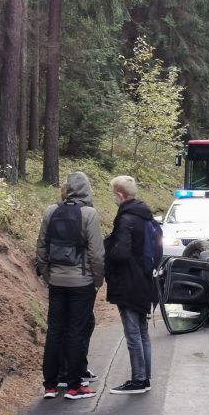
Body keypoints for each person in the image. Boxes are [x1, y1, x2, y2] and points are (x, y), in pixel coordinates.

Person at [35, 171, 105, 400]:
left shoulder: (51, 211)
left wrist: (48, 275)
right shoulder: (89, 214)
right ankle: (74, 386)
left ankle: (50, 385)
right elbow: (96, 254)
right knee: (76, 331)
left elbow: (41, 248)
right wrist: (97, 280)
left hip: (56, 281)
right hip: (81, 283)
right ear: (87, 189)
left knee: (55, 331)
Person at [104, 175, 157, 394]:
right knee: (142, 332)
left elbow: (122, 252)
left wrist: (108, 247)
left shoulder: (126, 218)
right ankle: (145, 378)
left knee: (133, 333)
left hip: (128, 281)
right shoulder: (145, 215)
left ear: (119, 194)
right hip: (145, 280)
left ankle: (137, 380)